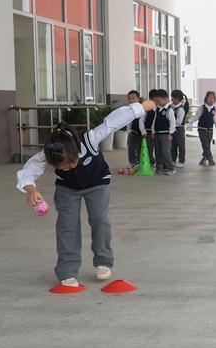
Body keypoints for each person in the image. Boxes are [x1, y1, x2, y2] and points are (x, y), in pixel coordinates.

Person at [16, 100, 154, 286]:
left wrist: (139, 108)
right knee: (67, 226)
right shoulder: (49, 153)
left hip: (97, 183)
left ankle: (103, 261)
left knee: (99, 219)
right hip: (67, 189)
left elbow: (113, 122)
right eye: (63, 167)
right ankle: (67, 271)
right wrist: (31, 189)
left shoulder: (91, 138)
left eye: (72, 163)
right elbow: (29, 169)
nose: (70, 168)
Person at [148, 89, 176, 175]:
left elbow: (173, 123)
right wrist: (153, 131)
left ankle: (170, 168)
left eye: (158, 100)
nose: (157, 102)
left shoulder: (169, 110)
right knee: (158, 152)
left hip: (165, 135)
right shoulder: (157, 109)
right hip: (157, 134)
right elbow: (154, 121)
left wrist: (170, 133)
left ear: (166, 99)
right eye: (156, 100)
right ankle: (159, 167)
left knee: (165, 152)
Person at [191, 90, 216, 166]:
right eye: (209, 98)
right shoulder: (202, 108)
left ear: (215, 100)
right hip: (202, 129)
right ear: (206, 99)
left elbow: (214, 117)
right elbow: (197, 116)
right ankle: (210, 159)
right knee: (205, 144)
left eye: (213, 98)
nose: (211, 100)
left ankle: (204, 158)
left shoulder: (214, 108)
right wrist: (189, 120)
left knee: (207, 145)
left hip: (210, 130)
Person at [125, 90, 145, 170]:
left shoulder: (142, 108)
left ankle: (140, 163)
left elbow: (143, 121)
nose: (131, 100)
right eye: (129, 99)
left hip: (142, 132)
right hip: (133, 131)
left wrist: (144, 132)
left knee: (140, 148)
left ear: (138, 99)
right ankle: (133, 162)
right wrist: (128, 131)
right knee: (131, 148)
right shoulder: (129, 109)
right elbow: (128, 121)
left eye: (133, 98)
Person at [170, 89, 187, 167]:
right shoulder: (171, 107)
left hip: (179, 129)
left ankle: (181, 160)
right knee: (172, 146)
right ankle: (173, 160)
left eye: (173, 98)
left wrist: (171, 124)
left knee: (181, 145)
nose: (172, 99)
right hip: (172, 129)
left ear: (177, 99)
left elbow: (179, 121)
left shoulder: (180, 109)